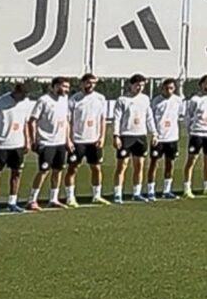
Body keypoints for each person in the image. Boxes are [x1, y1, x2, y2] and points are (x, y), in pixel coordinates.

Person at [0, 82, 35, 213]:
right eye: (23, 94)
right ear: (16, 91)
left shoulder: (26, 103)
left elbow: (25, 123)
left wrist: (28, 140)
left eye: (27, 95)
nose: (25, 97)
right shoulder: (0, 102)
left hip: (18, 144)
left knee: (17, 173)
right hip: (1, 144)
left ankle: (12, 202)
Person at [111, 74, 156, 204]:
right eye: (137, 85)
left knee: (139, 165)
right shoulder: (122, 100)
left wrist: (154, 133)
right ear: (130, 85)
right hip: (126, 136)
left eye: (142, 85)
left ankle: (137, 193)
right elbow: (117, 119)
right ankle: (117, 193)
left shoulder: (145, 99)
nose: (140, 88)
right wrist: (116, 135)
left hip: (141, 136)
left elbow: (149, 117)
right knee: (122, 165)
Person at [27, 77, 71, 210]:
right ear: (54, 86)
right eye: (63, 86)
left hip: (60, 142)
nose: (65, 90)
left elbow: (66, 120)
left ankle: (54, 198)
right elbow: (32, 120)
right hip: (47, 142)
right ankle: (32, 200)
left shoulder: (64, 100)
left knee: (58, 171)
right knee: (43, 171)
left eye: (67, 87)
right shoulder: (44, 100)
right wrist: (34, 139)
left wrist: (68, 139)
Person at [67, 73, 107, 206]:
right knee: (73, 168)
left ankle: (97, 195)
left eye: (94, 83)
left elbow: (102, 120)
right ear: (82, 83)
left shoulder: (100, 99)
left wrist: (102, 137)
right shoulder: (74, 100)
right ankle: (70, 197)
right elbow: (69, 121)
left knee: (96, 168)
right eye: (88, 83)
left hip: (94, 140)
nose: (91, 86)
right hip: (78, 140)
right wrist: (69, 139)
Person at [182, 75, 207, 199]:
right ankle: (187, 188)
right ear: (201, 85)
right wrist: (191, 130)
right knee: (191, 160)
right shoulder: (195, 99)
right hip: (197, 133)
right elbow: (188, 117)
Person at [147, 77, 184, 200]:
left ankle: (167, 190)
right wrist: (154, 134)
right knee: (154, 163)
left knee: (170, 163)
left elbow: (178, 116)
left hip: (172, 137)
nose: (169, 90)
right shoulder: (155, 101)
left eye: (171, 88)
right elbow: (150, 119)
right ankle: (150, 190)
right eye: (166, 88)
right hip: (159, 138)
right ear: (162, 88)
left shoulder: (178, 101)